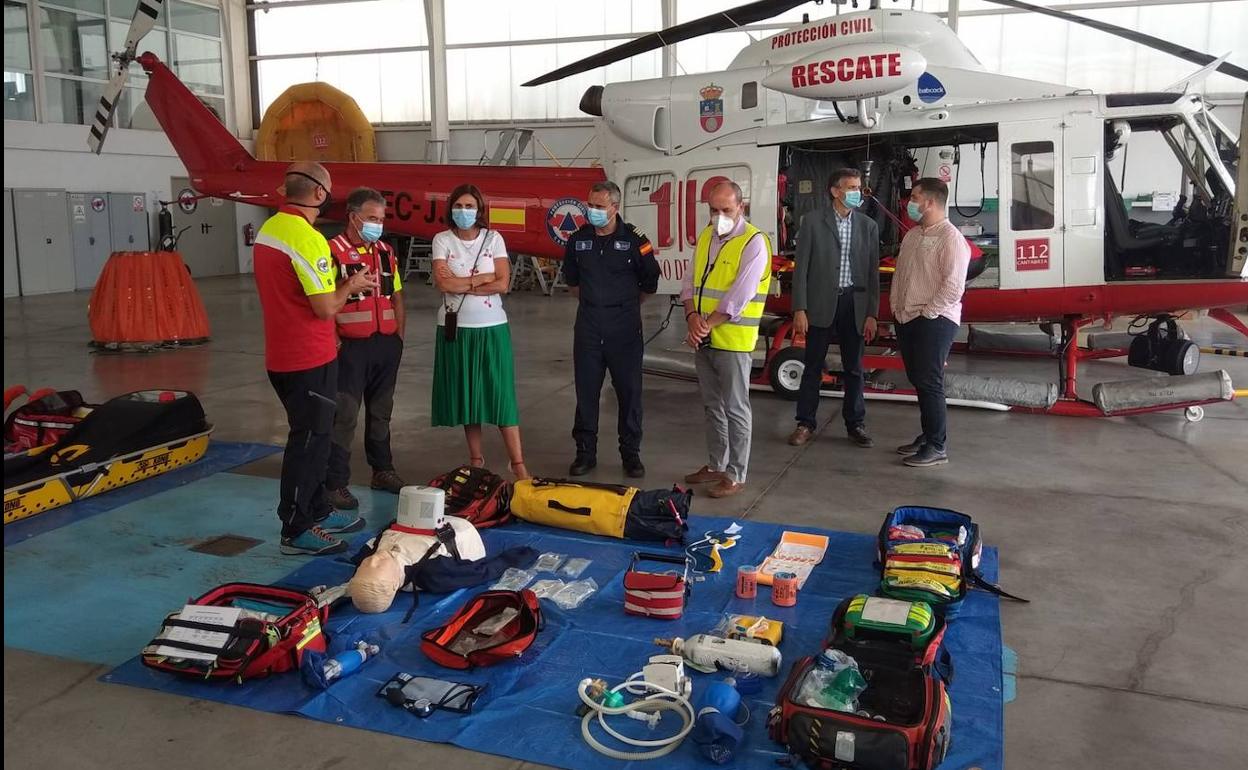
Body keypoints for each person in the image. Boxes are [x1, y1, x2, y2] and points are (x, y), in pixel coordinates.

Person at [253, 161, 375, 555]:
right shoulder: (306, 239)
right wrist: (351, 284)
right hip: (308, 357)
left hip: (282, 354)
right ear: (320, 194)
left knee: (314, 437)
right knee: (309, 441)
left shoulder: (269, 229)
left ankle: (317, 508)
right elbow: (324, 307)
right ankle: (297, 526)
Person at [430, 184, 529, 480]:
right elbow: (444, 284)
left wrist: (465, 280)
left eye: (469, 206)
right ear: (451, 209)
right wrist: (482, 278)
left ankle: (518, 462)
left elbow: (502, 283)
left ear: (480, 210)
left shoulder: (494, 238)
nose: (464, 212)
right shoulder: (441, 240)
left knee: (501, 394)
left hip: (491, 327)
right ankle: (476, 458)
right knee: (468, 395)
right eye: (458, 206)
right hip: (456, 328)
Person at [563, 181, 660, 478]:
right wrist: (597, 306)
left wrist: (624, 306)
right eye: (589, 205)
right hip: (589, 327)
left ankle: (631, 454)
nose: (591, 211)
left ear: (615, 208)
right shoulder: (578, 240)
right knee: (586, 392)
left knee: (629, 393)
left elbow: (650, 283)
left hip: (625, 329)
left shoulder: (634, 240)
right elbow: (573, 282)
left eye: (598, 206)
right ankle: (585, 453)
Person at [680, 182, 772, 499]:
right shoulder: (706, 236)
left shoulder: (755, 242)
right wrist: (692, 317)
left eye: (726, 210)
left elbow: (738, 298)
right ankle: (717, 464)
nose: (719, 216)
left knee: (735, 408)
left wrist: (703, 325)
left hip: (732, 341)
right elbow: (689, 282)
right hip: (704, 338)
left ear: (741, 207)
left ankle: (736, 474)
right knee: (712, 406)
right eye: (714, 210)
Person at [324, 187, 407, 510]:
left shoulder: (386, 251)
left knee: (381, 413)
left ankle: (382, 470)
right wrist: (334, 342)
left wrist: (397, 337)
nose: (378, 224)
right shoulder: (332, 252)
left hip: (385, 346)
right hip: (350, 349)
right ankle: (335, 482)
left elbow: (397, 297)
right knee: (344, 415)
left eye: (382, 219)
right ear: (353, 217)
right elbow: (324, 301)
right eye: (372, 218)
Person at [790, 168, 880, 448]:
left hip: (854, 304)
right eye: (851, 187)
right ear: (835, 191)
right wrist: (799, 308)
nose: (857, 192)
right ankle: (805, 422)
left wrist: (872, 314)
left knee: (854, 368)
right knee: (813, 366)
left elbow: (872, 273)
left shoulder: (867, 226)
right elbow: (801, 268)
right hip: (819, 304)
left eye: (859, 187)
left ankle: (855, 423)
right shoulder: (813, 222)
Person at [891, 177, 971, 468]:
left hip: (934, 319)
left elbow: (953, 286)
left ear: (930, 202)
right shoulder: (913, 235)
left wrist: (928, 312)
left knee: (930, 380)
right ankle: (927, 435)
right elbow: (900, 275)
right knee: (919, 380)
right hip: (907, 317)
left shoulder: (951, 239)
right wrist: (896, 307)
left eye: (914, 197)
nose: (910, 203)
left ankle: (937, 446)